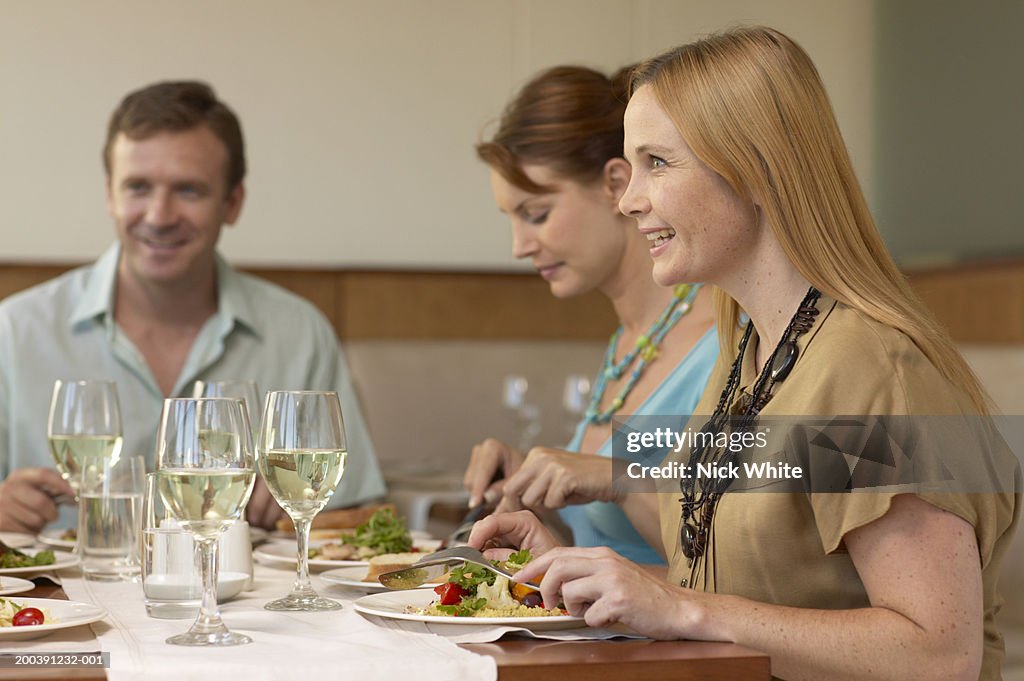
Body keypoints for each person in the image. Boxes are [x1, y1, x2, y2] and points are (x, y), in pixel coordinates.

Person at [469, 27, 1019, 681]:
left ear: (753, 169)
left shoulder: (868, 367)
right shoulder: (750, 355)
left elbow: (938, 653)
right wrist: (572, 566)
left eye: (657, 163)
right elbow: (750, 593)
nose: (628, 198)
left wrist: (679, 605)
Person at [0, 81, 386, 534]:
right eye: (138, 187)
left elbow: (361, 523)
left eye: (188, 190)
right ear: (110, 194)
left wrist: (301, 509)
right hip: (57, 603)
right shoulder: (14, 331)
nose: (159, 215)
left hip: (251, 604)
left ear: (233, 203)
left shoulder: (300, 333)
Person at [463, 66, 718, 564]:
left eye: (536, 214)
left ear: (615, 185)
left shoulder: (726, 341)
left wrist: (614, 477)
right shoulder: (626, 346)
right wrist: (530, 485)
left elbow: (735, 559)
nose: (518, 247)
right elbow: (601, 544)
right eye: (511, 220)